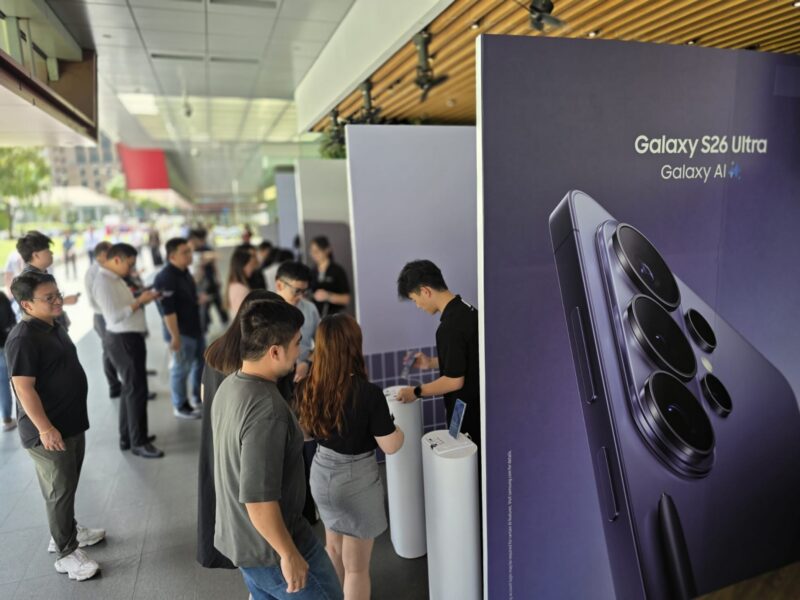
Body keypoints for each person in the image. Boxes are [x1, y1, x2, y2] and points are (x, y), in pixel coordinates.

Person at [212, 300, 342, 600]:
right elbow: (259, 500)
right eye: (297, 343)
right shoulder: (266, 410)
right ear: (274, 351)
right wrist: (289, 554)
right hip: (274, 547)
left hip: (243, 541)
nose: (300, 351)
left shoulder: (230, 385)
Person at [296, 314, 404, 600]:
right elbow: (391, 446)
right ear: (354, 345)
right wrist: (398, 430)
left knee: (333, 548)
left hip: (321, 474)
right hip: (357, 483)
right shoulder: (369, 394)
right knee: (356, 569)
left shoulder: (308, 386)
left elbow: (305, 435)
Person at [7, 271, 105, 581]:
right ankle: (65, 552)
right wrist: (46, 429)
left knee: (67, 484)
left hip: (70, 421)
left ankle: (66, 530)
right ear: (27, 304)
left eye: (57, 294)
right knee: (59, 490)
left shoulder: (53, 324)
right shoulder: (23, 338)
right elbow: (23, 388)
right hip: (48, 430)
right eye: (48, 298)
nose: (58, 300)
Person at [197, 290, 290, 570]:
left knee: (223, 498)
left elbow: (203, 396)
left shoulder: (215, 349)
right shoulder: (260, 363)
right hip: (251, 443)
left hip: (218, 435)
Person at [394, 259, 481, 447]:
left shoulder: (449, 328)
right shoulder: (466, 309)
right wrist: (431, 363)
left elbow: (454, 381)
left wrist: (416, 392)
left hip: (467, 412)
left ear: (425, 291)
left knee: (469, 462)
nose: (418, 305)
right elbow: (465, 359)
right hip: (479, 405)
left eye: (415, 300)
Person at [93, 243, 163, 458]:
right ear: (117, 260)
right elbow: (113, 316)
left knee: (130, 389)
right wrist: (139, 301)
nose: (131, 269)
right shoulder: (103, 282)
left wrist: (141, 299)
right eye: (129, 264)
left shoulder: (115, 279)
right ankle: (138, 442)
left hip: (129, 337)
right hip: (123, 339)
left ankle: (128, 437)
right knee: (136, 390)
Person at [275, 261, 322, 525]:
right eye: (296, 291)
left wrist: (305, 362)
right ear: (279, 285)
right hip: (275, 385)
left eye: (305, 291)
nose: (301, 296)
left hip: (302, 384)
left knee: (306, 438)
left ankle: (309, 505)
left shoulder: (309, 309)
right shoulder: (267, 312)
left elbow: (319, 346)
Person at [154, 237, 204, 420]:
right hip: (181, 333)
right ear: (172, 256)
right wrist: (175, 336)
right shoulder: (165, 278)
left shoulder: (185, 272)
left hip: (195, 329)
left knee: (199, 364)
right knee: (180, 370)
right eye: (185, 252)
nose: (189, 255)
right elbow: (168, 311)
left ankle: (197, 398)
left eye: (189, 251)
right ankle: (180, 406)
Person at [16, 231, 79, 327]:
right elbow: (34, 312)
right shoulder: (28, 281)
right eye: (48, 249)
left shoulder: (42, 274)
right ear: (36, 255)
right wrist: (64, 301)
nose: (51, 252)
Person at [85, 241, 121, 399]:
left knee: (116, 349)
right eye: (111, 252)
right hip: (102, 316)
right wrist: (109, 310)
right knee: (109, 350)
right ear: (101, 255)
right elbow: (93, 300)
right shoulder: (93, 272)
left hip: (112, 314)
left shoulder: (108, 267)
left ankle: (120, 382)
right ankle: (114, 386)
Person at [308, 236, 351, 317]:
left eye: (317, 251)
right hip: (316, 315)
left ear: (327, 250)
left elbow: (346, 299)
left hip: (334, 316)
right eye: (312, 251)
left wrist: (328, 296)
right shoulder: (312, 272)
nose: (314, 254)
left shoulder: (337, 270)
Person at [225, 245, 259, 317]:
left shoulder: (234, 285)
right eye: (250, 265)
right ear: (243, 266)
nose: (252, 268)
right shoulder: (240, 289)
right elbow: (244, 316)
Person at [0, 290, 16, 432]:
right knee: (18, 380)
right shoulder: (1, 298)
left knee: (3, 385)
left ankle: (6, 419)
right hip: (5, 346)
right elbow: (10, 320)